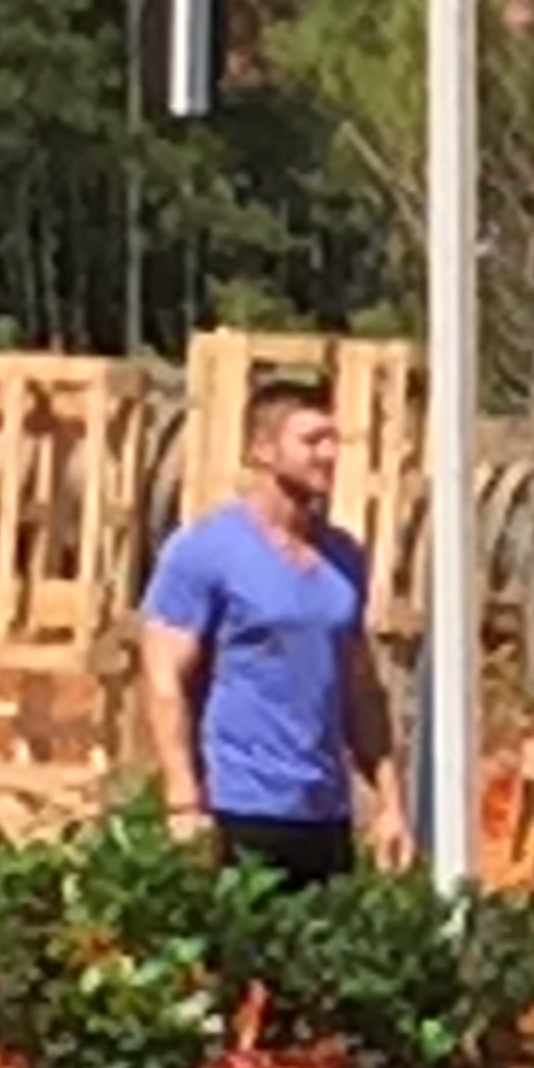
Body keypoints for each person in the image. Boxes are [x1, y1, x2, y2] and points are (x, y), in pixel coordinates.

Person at [136, 374, 409, 889]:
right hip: (239, 808)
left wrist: (391, 803)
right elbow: (163, 679)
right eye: (312, 441)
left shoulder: (344, 558)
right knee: (241, 966)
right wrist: (183, 800)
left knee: (322, 966)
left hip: (325, 813)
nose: (328, 454)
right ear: (262, 450)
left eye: (334, 441)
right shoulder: (205, 551)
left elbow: (361, 690)